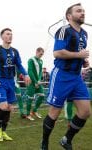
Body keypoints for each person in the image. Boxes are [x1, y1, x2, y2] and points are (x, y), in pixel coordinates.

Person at [41, 3, 91, 150]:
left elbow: (79, 52)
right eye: (78, 11)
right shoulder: (64, 30)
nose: (82, 13)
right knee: (54, 113)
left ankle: (66, 139)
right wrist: (79, 55)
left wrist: (83, 60)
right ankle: (44, 142)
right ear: (69, 16)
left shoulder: (84, 33)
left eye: (83, 11)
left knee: (85, 112)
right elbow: (57, 53)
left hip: (76, 78)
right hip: (62, 76)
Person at [0, 28, 30, 142]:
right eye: (7, 34)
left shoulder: (15, 51)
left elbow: (19, 65)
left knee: (9, 108)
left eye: (11, 34)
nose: (10, 36)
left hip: (11, 81)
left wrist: (26, 74)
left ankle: (4, 132)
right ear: (2, 37)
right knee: (4, 106)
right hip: (0, 81)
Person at [26, 47, 45, 121]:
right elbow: (30, 71)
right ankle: (27, 114)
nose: (41, 55)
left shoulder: (41, 61)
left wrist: (39, 80)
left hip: (38, 82)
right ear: (37, 52)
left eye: (42, 54)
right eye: (40, 54)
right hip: (31, 82)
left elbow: (40, 72)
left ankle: (34, 110)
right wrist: (35, 82)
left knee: (42, 96)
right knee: (30, 98)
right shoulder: (31, 60)